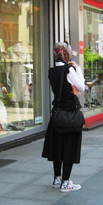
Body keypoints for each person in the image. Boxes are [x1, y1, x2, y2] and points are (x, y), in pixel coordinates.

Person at [42, 42, 85, 193]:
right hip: (70, 114)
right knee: (69, 148)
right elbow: (81, 87)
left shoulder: (52, 71)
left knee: (57, 148)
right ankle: (66, 183)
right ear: (66, 55)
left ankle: (57, 179)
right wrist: (78, 69)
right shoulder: (69, 69)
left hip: (57, 113)